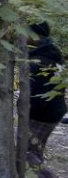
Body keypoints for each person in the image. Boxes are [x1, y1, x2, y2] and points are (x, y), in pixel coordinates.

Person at [26, 21, 66, 178]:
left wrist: (26, 114)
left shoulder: (39, 61)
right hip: (54, 109)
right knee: (33, 151)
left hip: (42, 115)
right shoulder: (51, 51)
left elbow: (36, 96)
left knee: (25, 156)